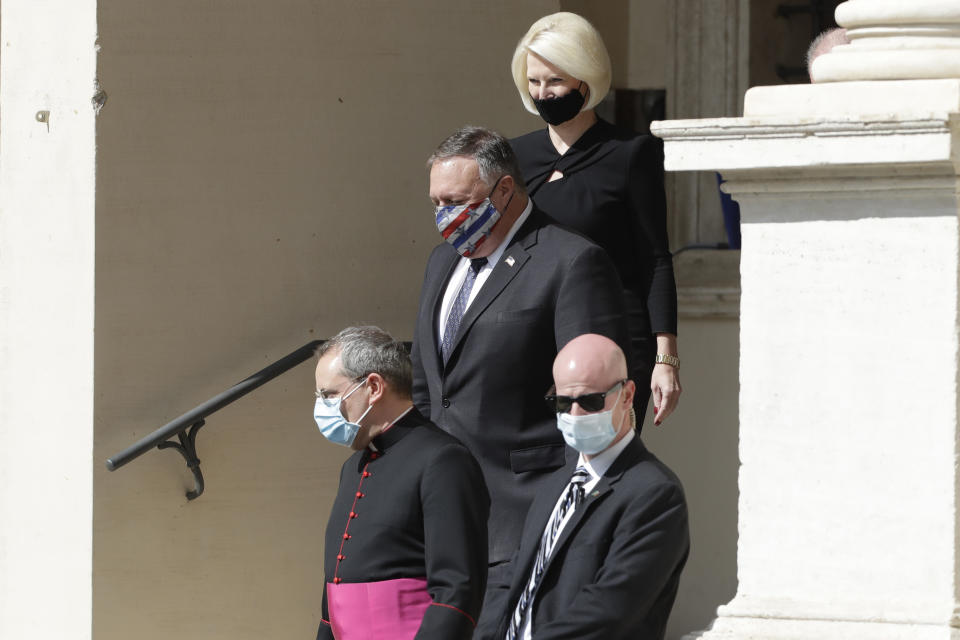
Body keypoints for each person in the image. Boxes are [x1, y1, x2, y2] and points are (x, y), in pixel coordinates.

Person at [411, 125, 630, 638]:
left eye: (456, 200)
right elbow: (428, 386)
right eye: (436, 202)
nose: (444, 215)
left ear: (504, 191)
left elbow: (591, 399)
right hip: (442, 525)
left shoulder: (571, 262)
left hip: (520, 518)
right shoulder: (442, 261)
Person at [509, 12, 681, 427]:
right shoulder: (515, 156)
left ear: (585, 81)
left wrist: (666, 359)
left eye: (555, 81)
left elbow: (654, 258)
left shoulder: (629, 154)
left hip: (612, 339)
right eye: (534, 82)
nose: (543, 93)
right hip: (533, 337)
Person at [495, 334, 689, 640]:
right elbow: (511, 583)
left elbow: (609, 610)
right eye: (562, 402)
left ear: (627, 396)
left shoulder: (654, 494)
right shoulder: (553, 486)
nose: (574, 415)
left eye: (590, 401)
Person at [312, 326, 489, 640]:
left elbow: (456, 592)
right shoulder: (352, 467)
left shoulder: (442, 460)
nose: (322, 407)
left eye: (329, 395)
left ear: (374, 387)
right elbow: (333, 600)